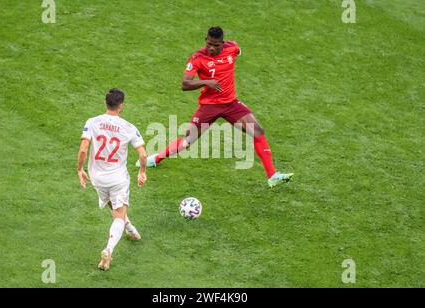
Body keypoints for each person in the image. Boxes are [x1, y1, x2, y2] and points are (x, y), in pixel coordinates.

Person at [137, 27, 293, 188]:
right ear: (206, 39)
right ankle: (155, 159)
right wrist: (206, 82)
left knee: (258, 131)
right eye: (209, 44)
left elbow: (237, 51)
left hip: (231, 104)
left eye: (216, 45)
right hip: (209, 107)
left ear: (223, 44)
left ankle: (272, 175)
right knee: (187, 142)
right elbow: (185, 84)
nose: (211, 48)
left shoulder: (232, 48)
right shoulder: (197, 58)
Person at [77, 88, 147, 271]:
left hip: (97, 178)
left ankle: (130, 228)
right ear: (121, 106)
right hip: (117, 179)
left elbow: (84, 148)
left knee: (113, 205)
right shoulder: (129, 127)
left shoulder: (92, 122)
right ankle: (108, 250)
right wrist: (142, 172)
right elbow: (143, 155)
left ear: (105, 103)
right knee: (118, 214)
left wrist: (79, 169)